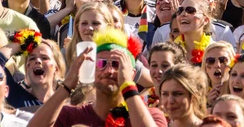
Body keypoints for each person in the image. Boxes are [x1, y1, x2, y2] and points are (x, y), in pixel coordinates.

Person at [29, 27, 168, 126]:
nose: (109, 70)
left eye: (116, 64)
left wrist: (128, 86)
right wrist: (67, 85)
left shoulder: (152, 115)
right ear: (92, 70)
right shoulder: (70, 115)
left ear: (131, 72)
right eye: (101, 63)